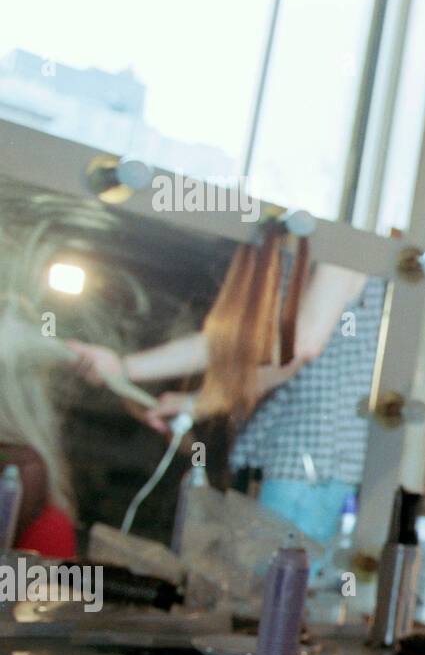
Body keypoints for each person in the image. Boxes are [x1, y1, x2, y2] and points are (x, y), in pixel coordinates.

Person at [68, 225, 384, 548]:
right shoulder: (301, 250)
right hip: (287, 458)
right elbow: (270, 359)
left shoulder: (346, 245)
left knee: (270, 587)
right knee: (258, 584)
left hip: (313, 465)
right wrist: (136, 373)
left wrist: (189, 395)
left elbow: (300, 345)